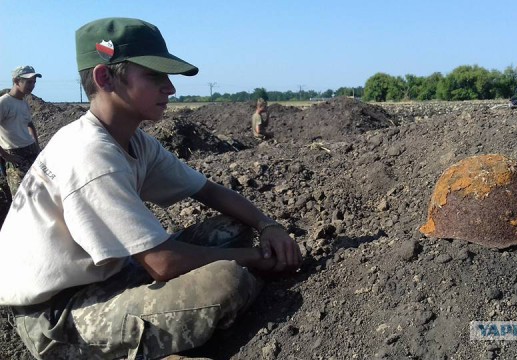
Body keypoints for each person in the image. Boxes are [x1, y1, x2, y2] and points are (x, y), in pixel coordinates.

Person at [0, 17, 302, 360]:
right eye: (155, 76)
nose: (170, 88)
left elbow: (207, 190)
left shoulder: (134, 141)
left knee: (233, 228)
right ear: (104, 77)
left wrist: (268, 226)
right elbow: (163, 263)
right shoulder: (88, 154)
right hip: (55, 316)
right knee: (227, 282)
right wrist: (257, 258)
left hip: (109, 275)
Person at [0, 65, 42, 196]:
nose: (32, 85)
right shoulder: (4, 103)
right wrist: (6, 156)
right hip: (14, 155)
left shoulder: (23, 102)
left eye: (34, 82)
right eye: (29, 82)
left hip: (30, 151)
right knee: (21, 197)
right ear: (16, 81)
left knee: (38, 193)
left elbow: (30, 124)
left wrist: (36, 146)